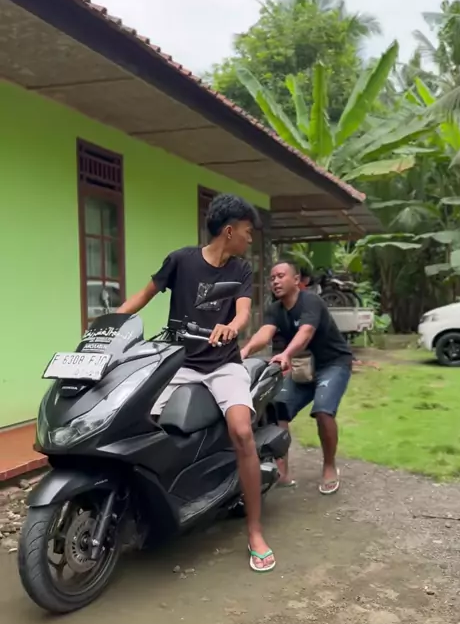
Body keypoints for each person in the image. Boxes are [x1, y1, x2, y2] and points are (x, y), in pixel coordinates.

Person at [117, 194, 275, 573]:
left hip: (224, 365)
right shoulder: (180, 260)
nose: (249, 239)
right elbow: (143, 296)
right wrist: (108, 325)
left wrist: (231, 327)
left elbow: (242, 312)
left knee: (242, 432)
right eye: (247, 232)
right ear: (229, 231)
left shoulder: (241, 269)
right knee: (141, 427)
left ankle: (254, 531)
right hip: (179, 364)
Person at [240, 260, 352, 494]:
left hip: (333, 364)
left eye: (281, 276)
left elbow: (306, 332)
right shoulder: (275, 309)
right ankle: (282, 472)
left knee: (323, 411)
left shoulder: (311, 301)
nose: (275, 281)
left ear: (296, 280)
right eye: (272, 278)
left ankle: (329, 467)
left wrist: (287, 354)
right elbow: (265, 334)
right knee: (277, 408)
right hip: (303, 367)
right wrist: (245, 351)